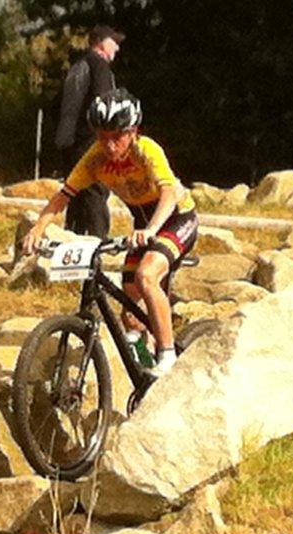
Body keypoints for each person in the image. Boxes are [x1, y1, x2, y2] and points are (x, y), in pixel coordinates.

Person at [24, 89, 198, 377]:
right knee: (130, 313)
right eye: (102, 136)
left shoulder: (147, 150)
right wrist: (37, 229)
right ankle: (144, 369)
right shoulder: (95, 159)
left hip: (175, 219)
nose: (109, 145)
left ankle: (168, 358)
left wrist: (151, 230)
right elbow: (63, 195)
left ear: (133, 132)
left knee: (146, 275)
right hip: (143, 227)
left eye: (117, 136)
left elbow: (168, 193)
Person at [54, 25, 125, 239]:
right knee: (96, 192)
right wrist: (111, 141)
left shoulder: (77, 65)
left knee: (74, 193)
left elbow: (58, 106)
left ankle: (72, 244)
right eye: (115, 43)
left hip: (69, 142)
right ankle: (98, 247)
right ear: (101, 43)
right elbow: (104, 107)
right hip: (90, 140)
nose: (117, 49)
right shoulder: (99, 66)